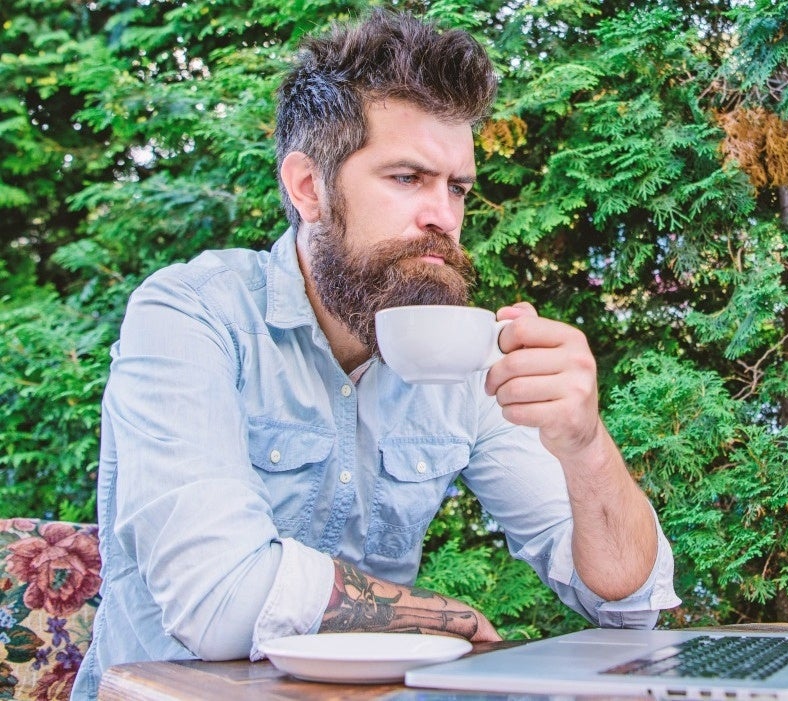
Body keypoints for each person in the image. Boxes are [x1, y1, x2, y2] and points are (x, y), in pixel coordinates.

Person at [71, 9, 679, 699]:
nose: (444, 217)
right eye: (406, 178)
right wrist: (438, 617)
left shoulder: (454, 357)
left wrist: (585, 443)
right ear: (309, 188)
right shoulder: (191, 316)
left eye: (457, 188)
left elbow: (628, 603)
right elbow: (220, 600)